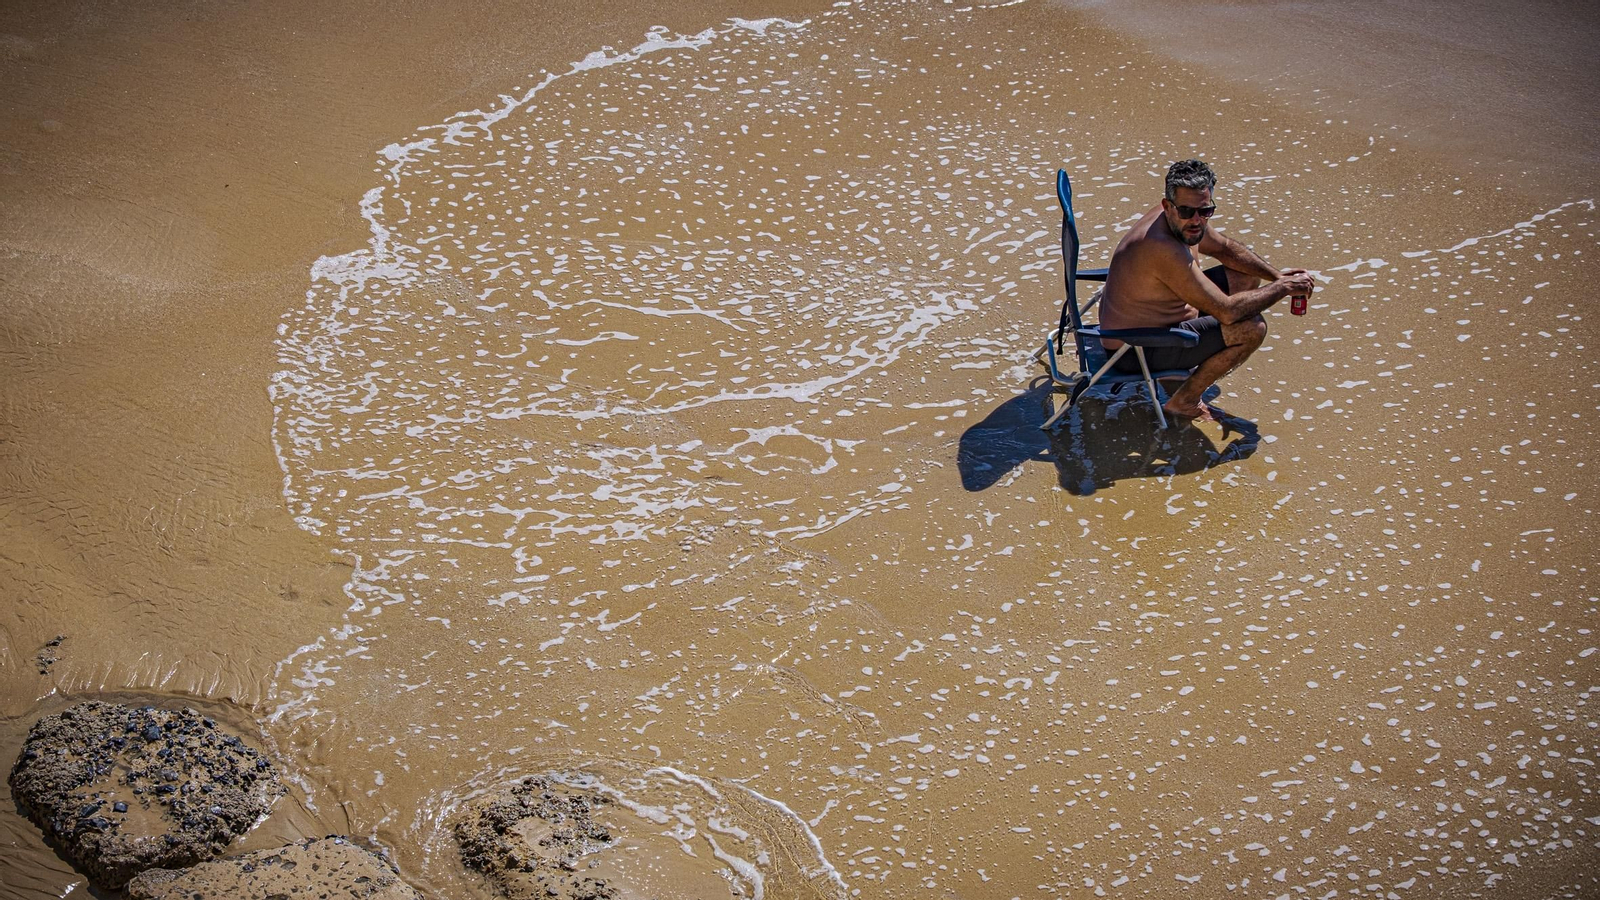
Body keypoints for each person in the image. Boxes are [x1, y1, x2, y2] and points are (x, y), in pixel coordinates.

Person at [1098, 158, 1315, 421]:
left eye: (1205, 211)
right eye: (1187, 211)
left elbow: (1224, 248)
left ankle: (1178, 371)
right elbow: (1228, 313)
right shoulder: (1162, 248)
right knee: (1251, 329)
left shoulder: (1180, 219)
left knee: (1244, 276)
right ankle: (1183, 402)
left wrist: (1276, 275)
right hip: (1137, 348)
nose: (1197, 221)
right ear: (1167, 206)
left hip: (1159, 322)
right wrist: (1283, 288)